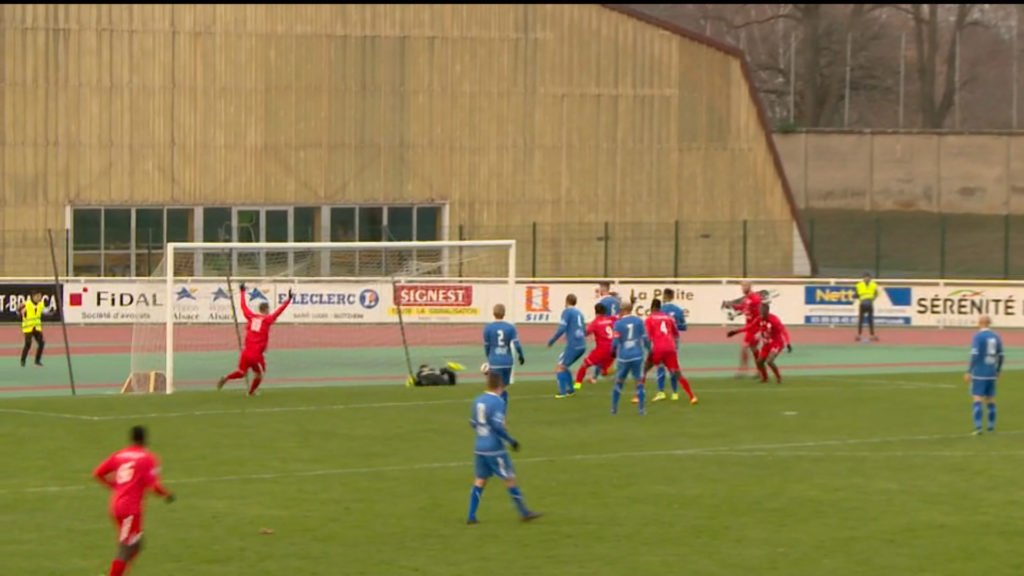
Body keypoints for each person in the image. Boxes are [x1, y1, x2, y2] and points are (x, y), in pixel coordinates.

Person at [93, 425, 175, 576]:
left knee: (137, 544)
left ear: (132, 438)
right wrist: (167, 495)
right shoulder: (148, 458)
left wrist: (115, 486)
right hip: (129, 510)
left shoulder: (119, 455)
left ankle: (120, 571)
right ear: (145, 439)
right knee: (125, 547)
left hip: (118, 505)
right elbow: (154, 486)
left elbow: (98, 473)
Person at [467, 371, 542, 524]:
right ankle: (524, 512)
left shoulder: (477, 400)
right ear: (500, 385)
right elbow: (497, 426)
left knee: (480, 480)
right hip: (494, 448)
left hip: (479, 446)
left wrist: (483, 431)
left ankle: (471, 516)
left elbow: (473, 423)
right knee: (509, 478)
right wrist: (511, 440)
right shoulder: (498, 402)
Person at [217, 283, 293, 396]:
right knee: (259, 374)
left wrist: (242, 292)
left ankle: (226, 377)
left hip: (246, 352)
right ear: (266, 310)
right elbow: (279, 312)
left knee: (241, 372)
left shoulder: (251, 317)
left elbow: (243, 306)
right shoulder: (267, 319)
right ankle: (251, 392)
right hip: (256, 354)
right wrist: (289, 299)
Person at [641, 299, 698, 406]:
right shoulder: (669, 318)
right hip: (670, 348)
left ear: (652, 308)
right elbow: (676, 334)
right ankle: (692, 396)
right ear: (660, 307)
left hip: (658, 348)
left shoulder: (649, 319)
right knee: (678, 374)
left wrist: (649, 349)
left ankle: (638, 396)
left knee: (644, 370)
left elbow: (647, 337)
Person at [729, 303, 792, 383]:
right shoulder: (759, 319)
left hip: (776, 343)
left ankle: (779, 378)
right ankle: (765, 378)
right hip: (766, 344)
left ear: (766, 311)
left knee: (769, 361)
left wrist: (788, 343)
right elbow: (750, 327)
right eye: (760, 310)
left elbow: (783, 331)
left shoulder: (774, 320)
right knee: (759, 362)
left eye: (762, 310)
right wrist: (736, 332)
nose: (760, 311)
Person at [966, 315, 1003, 435]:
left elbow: (975, 354)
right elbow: (1001, 355)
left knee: (977, 398)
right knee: (991, 399)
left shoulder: (978, 336)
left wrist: (969, 371)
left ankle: (978, 427)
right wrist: (998, 370)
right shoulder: (996, 336)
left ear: (980, 323)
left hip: (979, 372)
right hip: (991, 372)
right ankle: (991, 427)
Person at [483, 304, 525, 405]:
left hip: (495, 361)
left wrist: (489, 357)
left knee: (494, 389)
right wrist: (521, 356)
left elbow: (486, 346)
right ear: (504, 314)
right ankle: (502, 412)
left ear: (493, 313)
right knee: (502, 388)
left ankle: (497, 412)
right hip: (507, 362)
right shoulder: (510, 327)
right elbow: (517, 345)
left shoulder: (488, 328)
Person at [610, 301, 647, 415]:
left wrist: (612, 352)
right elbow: (645, 338)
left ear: (623, 310)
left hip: (624, 357)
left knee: (619, 381)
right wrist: (649, 349)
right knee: (639, 382)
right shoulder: (639, 321)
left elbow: (616, 341)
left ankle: (614, 409)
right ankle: (641, 409)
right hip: (637, 355)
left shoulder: (618, 324)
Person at [547, 294, 586, 399]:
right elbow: (583, 329)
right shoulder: (579, 313)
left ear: (566, 301)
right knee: (564, 365)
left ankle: (562, 392)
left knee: (559, 367)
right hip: (582, 345)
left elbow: (561, 328)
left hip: (573, 345)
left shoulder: (567, 312)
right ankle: (570, 390)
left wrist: (552, 340)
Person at [654, 288, 688, 401]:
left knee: (660, 366)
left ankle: (661, 392)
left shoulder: (659, 310)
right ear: (672, 296)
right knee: (673, 366)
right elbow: (684, 327)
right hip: (673, 341)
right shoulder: (678, 310)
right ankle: (674, 393)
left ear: (664, 296)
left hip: (660, 341)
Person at [574, 303, 616, 390]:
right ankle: (613, 374)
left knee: (584, 365)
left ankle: (577, 385)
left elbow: (586, 333)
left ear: (595, 311)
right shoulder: (612, 319)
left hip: (602, 349)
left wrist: (578, 331)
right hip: (613, 349)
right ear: (605, 311)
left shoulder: (595, 322)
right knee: (604, 371)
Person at [726, 282, 763, 377]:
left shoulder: (755, 299)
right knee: (753, 349)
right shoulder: (747, 299)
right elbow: (744, 308)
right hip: (749, 327)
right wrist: (732, 305)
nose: (742, 288)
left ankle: (743, 371)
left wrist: (760, 330)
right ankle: (760, 370)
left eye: (744, 286)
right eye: (742, 286)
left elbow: (760, 313)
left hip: (755, 328)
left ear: (749, 287)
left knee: (745, 347)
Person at [18, 290, 47, 367]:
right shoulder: (26, 304)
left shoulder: (41, 304)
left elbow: (45, 311)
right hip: (28, 327)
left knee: (41, 343)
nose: (39, 298)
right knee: (28, 343)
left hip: (37, 327)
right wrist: (21, 314)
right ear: (33, 297)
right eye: (37, 296)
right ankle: (23, 360)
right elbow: (18, 311)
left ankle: (37, 360)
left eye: (40, 296)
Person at [856, 272, 880, 342]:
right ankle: (859, 334)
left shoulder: (873, 285)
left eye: (868, 277)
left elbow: (876, 293)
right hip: (862, 304)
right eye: (865, 277)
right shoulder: (859, 285)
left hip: (870, 303)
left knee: (870, 320)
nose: (867, 278)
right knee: (861, 320)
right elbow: (856, 294)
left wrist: (873, 299)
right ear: (863, 278)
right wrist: (859, 298)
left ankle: (872, 335)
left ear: (870, 278)